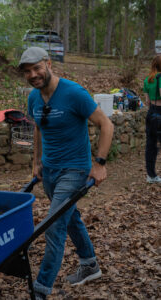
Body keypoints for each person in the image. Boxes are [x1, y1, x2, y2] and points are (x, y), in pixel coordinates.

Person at [18, 47, 114, 300]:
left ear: (49, 64)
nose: (33, 74)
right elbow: (38, 128)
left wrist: (100, 163)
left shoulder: (74, 93)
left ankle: (40, 289)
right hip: (49, 169)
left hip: (74, 170)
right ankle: (90, 264)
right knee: (69, 217)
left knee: (54, 225)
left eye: (37, 68)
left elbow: (106, 124)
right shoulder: (34, 98)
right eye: (27, 72)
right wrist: (37, 161)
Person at [143, 55, 161, 184]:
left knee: (151, 145)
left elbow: (147, 101)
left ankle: (151, 175)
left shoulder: (147, 80)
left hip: (151, 113)